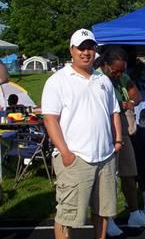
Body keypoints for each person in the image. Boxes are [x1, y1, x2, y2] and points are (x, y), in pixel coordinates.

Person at [42, 28, 122, 239]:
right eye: (81, 48)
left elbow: (114, 112)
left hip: (105, 157)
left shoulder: (103, 80)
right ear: (72, 50)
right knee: (67, 215)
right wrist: (66, 154)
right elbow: (50, 119)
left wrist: (117, 142)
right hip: (76, 159)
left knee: (103, 211)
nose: (86, 52)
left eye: (90, 47)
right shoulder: (58, 80)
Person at [98, 47, 145, 235]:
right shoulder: (97, 79)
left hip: (124, 133)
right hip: (104, 133)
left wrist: (129, 103)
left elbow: (137, 95)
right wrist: (118, 105)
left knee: (129, 174)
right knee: (108, 180)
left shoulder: (122, 78)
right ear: (104, 65)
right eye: (115, 70)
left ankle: (134, 213)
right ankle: (108, 219)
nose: (118, 74)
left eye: (122, 70)